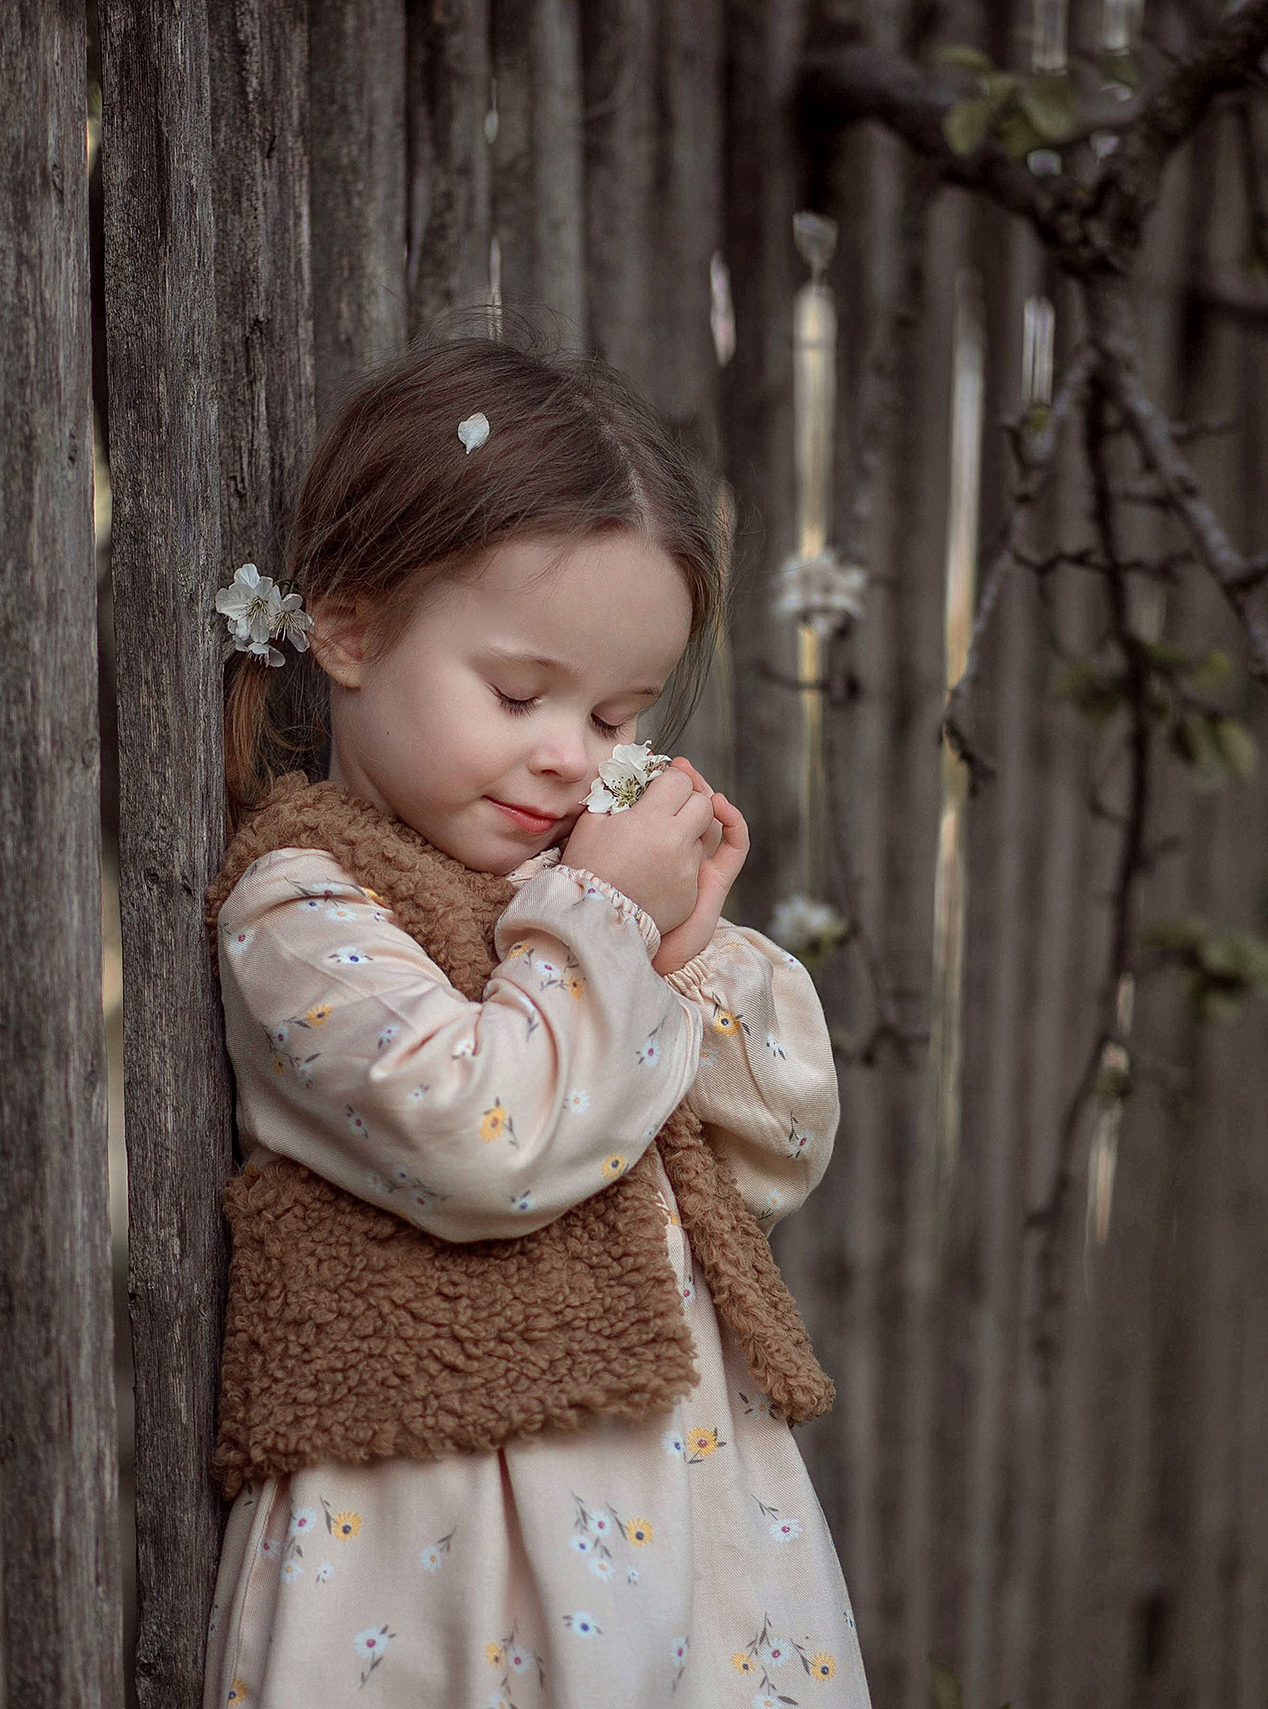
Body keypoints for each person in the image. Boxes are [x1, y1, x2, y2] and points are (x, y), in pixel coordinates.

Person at [198, 333, 866, 1707]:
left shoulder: (572, 912)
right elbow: (483, 1135)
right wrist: (608, 923)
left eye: (616, 717)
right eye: (518, 695)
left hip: (678, 1520)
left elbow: (776, 1149)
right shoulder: (307, 904)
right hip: (440, 1547)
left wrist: (681, 946)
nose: (570, 755)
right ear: (350, 631)